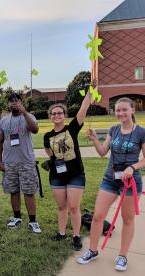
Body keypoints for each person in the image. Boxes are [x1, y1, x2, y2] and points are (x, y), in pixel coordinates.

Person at [77, 97, 145, 271]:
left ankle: (122, 256)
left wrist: (132, 167)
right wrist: (95, 139)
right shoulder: (114, 130)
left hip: (130, 182)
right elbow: (103, 152)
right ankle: (92, 251)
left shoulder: (142, 133)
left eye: (124, 110)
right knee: (97, 216)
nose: (121, 113)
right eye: (118, 110)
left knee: (127, 219)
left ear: (132, 110)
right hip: (110, 180)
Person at [43, 92, 93, 250]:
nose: (57, 115)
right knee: (61, 207)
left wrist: (91, 91)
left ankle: (76, 236)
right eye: (54, 113)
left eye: (60, 113)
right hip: (57, 176)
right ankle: (62, 233)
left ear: (64, 115)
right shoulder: (47, 136)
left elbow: (83, 108)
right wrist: (52, 161)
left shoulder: (72, 128)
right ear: (50, 116)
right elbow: (49, 153)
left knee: (73, 206)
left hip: (75, 174)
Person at [0, 93, 42, 233]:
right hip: (9, 163)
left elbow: (35, 130)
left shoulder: (29, 116)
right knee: (13, 191)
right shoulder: (4, 121)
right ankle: (17, 217)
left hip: (26, 161)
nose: (13, 103)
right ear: (8, 104)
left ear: (21, 102)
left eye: (16, 101)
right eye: (11, 101)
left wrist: (25, 112)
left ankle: (33, 221)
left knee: (29, 192)